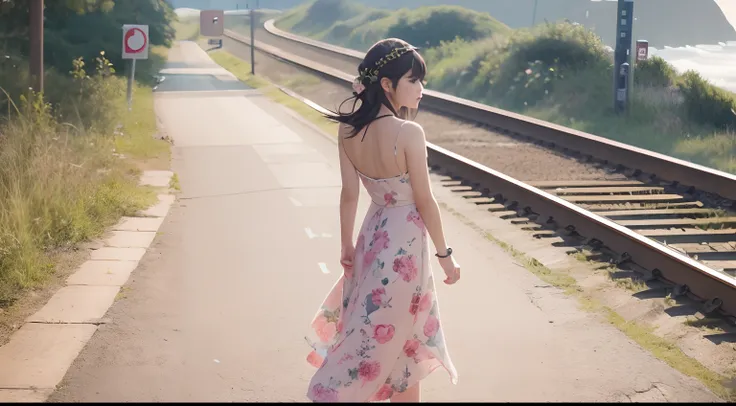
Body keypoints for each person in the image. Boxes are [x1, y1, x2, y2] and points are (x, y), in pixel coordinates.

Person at [304, 38, 461, 403]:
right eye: (413, 80)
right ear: (387, 85)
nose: (421, 89)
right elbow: (424, 200)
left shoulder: (348, 129)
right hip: (405, 245)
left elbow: (349, 193)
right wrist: (445, 255)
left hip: (372, 236)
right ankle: (332, 393)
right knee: (396, 336)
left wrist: (346, 245)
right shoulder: (409, 133)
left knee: (390, 335)